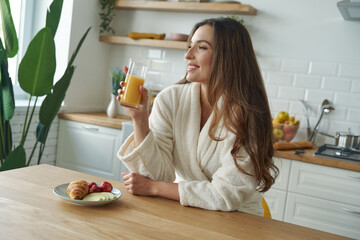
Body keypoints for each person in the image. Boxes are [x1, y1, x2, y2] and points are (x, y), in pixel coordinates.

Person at [117, 17, 278, 215]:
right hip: (188, 210)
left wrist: (154, 188)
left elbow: (227, 194)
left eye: (201, 47)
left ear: (227, 56)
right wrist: (139, 119)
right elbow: (158, 174)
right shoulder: (170, 100)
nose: (188, 55)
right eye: (189, 46)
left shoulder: (247, 113)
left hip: (239, 219)